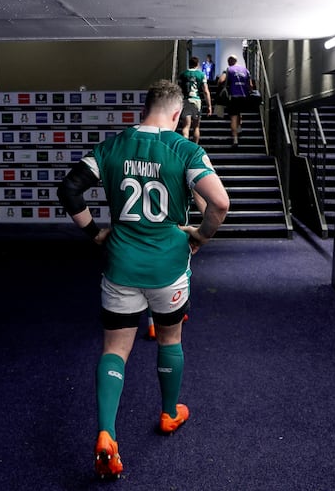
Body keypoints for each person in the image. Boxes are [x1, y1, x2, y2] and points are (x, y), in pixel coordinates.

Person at [56, 79, 229, 479]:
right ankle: (169, 414)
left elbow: (70, 189)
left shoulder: (113, 146)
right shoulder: (184, 149)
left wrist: (94, 232)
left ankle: (106, 434)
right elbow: (219, 203)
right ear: (176, 114)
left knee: (115, 350)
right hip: (168, 266)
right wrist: (201, 236)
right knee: (169, 339)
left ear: (144, 109)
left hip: (120, 265)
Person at [217, 54, 253, 147]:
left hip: (233, 96)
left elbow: (221, 81)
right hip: (244, 96)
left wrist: (221, 85)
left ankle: (235, 139)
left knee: (233, 116)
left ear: (229, 62)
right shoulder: (245, 70)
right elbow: (251, 86)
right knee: (239, 112)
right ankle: (239, 127)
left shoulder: (229, 70)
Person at [178, 56, 212, 144]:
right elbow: (205, 91)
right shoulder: (201, 74)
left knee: (186, 126)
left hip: (185, 100)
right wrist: (209, 106)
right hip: (196, 100)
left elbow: (179, 89)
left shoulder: (183, 74)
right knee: (196, 127)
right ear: (197, 64)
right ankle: (195, 147)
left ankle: (185, 147)